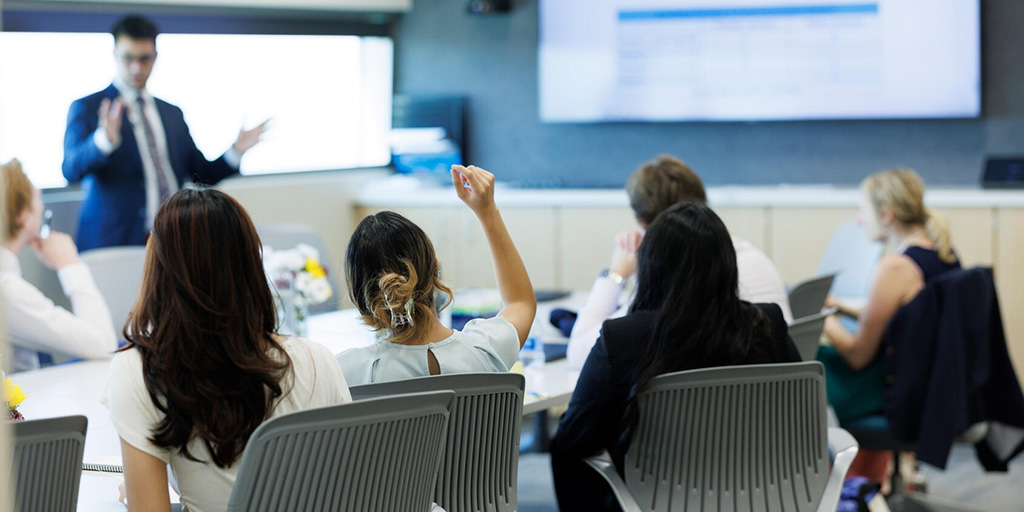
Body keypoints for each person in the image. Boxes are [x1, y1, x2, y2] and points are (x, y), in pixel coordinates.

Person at [105, 188, 351, 512]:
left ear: (159, 271)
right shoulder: (317, 359)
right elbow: (348, 488)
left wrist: (140, 486)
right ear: (251, 266)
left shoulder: (140, 370)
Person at [549, 202, 801, 511]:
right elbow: (799, 411)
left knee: (565, 450)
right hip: (759, 495)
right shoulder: (766, 323)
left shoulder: (623, 337)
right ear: (727, 264)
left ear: (651, 266)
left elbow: (575, 436)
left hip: (655, 500)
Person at [62, 15, 269, 251]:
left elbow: (200, 173)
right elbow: (70, 170)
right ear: (114, 55)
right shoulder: (88, 107)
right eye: (128, 58)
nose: (136, 68)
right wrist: (102, 143)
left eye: (144, 59)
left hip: (171, 238)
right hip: (115, 240)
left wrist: (236, 151)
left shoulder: (171, 112)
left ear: (155, 57)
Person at [566, 154, 792, 368]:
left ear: (643, 223)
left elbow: (577, 353)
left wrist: (616, 273)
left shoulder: (675, 288)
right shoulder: (750, 256)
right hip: (760, 404)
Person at [818, 168, 960, 483]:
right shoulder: (941, 254)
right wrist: (843, 308)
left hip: (898, 396)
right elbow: (908, 320)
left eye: (862, 211)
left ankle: (824, 493)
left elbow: (858, 356)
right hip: (932, 388)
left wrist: (823, 319)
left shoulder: (895, 267)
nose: (858, 220)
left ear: (886, 215)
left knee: (806, 377)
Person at [337, 164, 536, 385]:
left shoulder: (346, 372)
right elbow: (521, 302)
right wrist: (488, 211)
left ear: (358, 295)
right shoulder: (485, 350)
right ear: (436, 269)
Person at [1, 158, 117, 372]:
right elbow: (104, 345)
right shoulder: (7, 290)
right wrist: (70, 264)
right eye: (38, 201)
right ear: (23, 217)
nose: (42, 206)